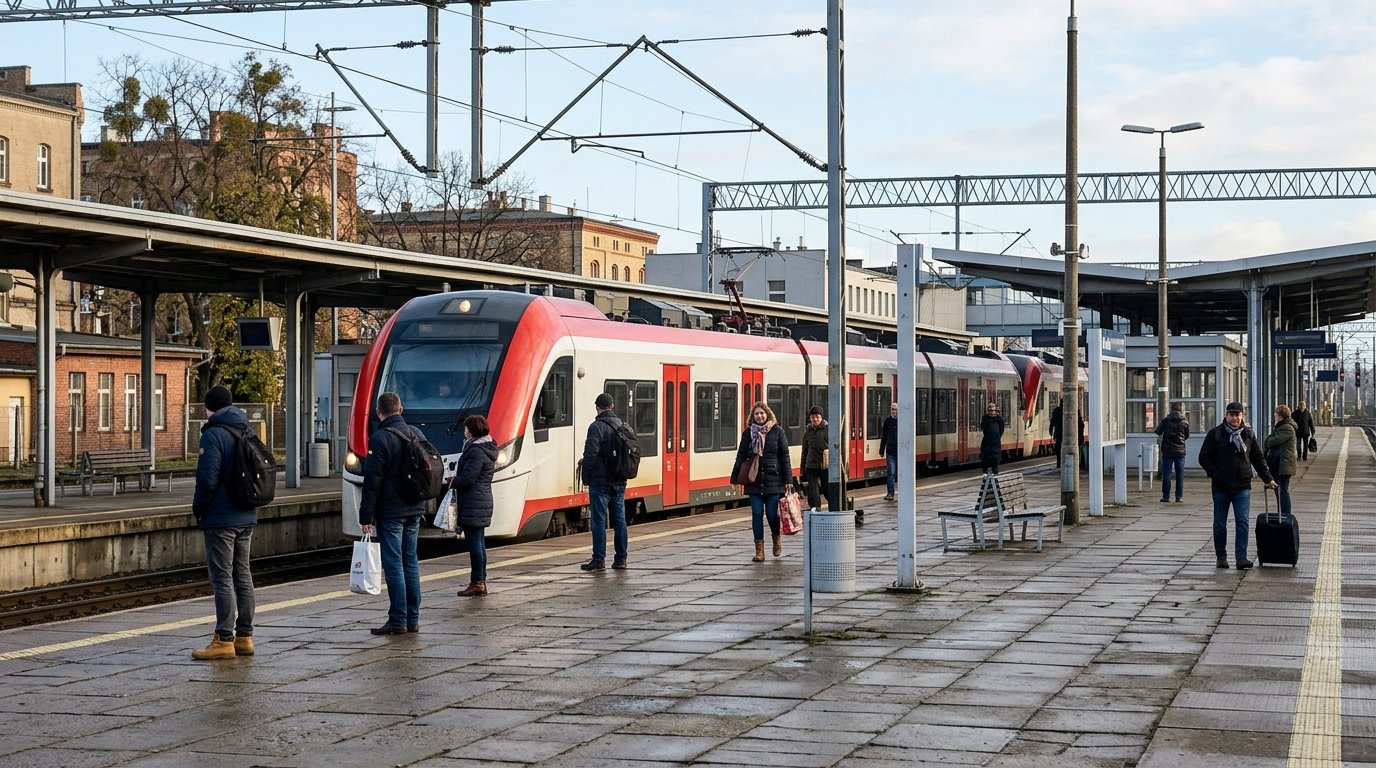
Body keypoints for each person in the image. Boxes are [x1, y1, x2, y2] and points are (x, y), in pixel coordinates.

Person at [190, 385, 259, 660]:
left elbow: (207, 480)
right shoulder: (247, 430)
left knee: (222, 578)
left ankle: (224, 639)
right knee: (242, 574)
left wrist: (198, 509)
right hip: (247, 513)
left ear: (210, 408)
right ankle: (245, 637)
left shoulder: (213, 434)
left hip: (221, 517)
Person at [358, 392, 425, 634]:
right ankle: (413, 619)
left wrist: (366, 516)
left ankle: (398, 619)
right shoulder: (416, 433)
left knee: (394, 564)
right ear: (401, 409)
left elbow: (372, 481)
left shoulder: (380, 438)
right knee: (411, 562)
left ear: (379, 412)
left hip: (391, 511)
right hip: (415, 508)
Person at [1198, 401, 1278, 570]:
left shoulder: (1248, 434)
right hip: (1221, 486)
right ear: (1226, 416)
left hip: (1242, 485)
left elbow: (1257, 458)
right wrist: (1216, 473)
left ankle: (1241, 557)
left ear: (1242, 416)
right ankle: (1221, 556)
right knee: (1220, 523)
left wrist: (1268, 478)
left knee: (1242, 521)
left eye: (1238, 415)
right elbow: (1204, 457)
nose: (1235, 418)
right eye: (1231, 414)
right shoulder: (1216, 434)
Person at [732, 401, 792, 562]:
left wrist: (788, 480)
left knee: (772, 515)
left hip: (774, 480)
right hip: (754, 481)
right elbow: (740, 456)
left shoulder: (778, 432)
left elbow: (784, 457)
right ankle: (759, 551)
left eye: (762, 413)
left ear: (768, 415)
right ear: (753, 416)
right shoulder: (747, 434)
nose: (759, 416)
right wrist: (735, 478)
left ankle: (776, 538)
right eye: (756, 414)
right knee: (757, 514)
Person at [581, 393, 629, 571]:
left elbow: (590, 454)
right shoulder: (622, 425)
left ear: (597, 407)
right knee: (619, 521)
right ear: (612, 406)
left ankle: (599, 560)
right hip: (619, 480)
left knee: (599, 521)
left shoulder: (596, 427)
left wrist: (586, 477)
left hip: (600, 482)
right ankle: (621, 559)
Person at [452, 414, 497, 597]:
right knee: (479, 543)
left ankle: (478, 581)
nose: (464, 431)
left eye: (465, 428)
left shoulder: (476, 451)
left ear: (471, 430)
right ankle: (480, 581)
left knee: (475, 544)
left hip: (474, 501)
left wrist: (453, 481)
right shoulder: (485, 448)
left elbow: (469, 478)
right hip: (480, 500)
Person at [1264, 404, 1298, 519]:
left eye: (1276, 414)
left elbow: (1271, 441)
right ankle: (1282, 513)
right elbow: (1269, 439)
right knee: (1279, 490)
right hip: (1280, 463)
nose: (1274, 416)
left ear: (1281, 416)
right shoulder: (1281, 426)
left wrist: (1268, 440)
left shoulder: (1286, 428)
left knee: (1283, 490)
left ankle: (1286, 514)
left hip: (1283, 464)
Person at [1155, 402, 1190, 502]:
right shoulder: (1185, 421)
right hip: (1180, 452)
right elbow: (1187, 436)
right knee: (1180, 475)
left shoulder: (1166, 420)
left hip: (1167, 452)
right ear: (1180, 410)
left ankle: (1166, 497)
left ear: (1171, 409)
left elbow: (1158, 431)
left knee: (1167, 474)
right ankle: (1179, 497)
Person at [801, 405, 834, 511]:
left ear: (822, 417)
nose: (814, 419)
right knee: (813, 490)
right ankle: (816, 509)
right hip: (811, 465)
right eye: (812, 417)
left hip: (825, 465)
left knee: (827, 489)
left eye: (817, 417)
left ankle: (835, 507)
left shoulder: (828, 430)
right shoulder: (808, 431)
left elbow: (835, 448)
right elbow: (804, 451)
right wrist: (803, 469)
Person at [879, 403, 899, 501]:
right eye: (892, 409)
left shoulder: (902, 421)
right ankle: (890, 493)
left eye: (895, 409)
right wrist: (881, 449)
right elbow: (884, 436)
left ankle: (902, 492)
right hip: (890, 451)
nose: (894, 411)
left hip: (900, 451)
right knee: (891, 472)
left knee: (901, 473)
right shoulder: (887, 421)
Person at [979, 402, 1006, 475]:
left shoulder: (999, 419)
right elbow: (983, 428)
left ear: (996, 410)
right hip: (986, 446)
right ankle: (985, 483)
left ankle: (995, 483)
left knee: (995, 468)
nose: (991, 412)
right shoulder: (985, 418)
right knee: (984, 467)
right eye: (989, 410)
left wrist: (996, 437)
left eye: (992, 410)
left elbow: (1001, 430)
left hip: (995, 447)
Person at [1049, 403, 1064, 467]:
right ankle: (1061, 463)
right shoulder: (1069, 410)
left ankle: (1058, 463)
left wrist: (1051, 430)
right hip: (1066, 434)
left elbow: (1052, 421)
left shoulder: (1056, 410)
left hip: (1057, 433)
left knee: (1058, 448)